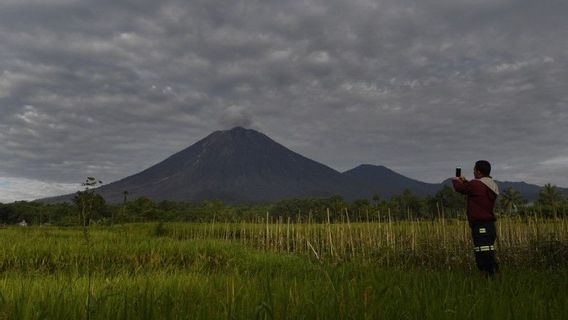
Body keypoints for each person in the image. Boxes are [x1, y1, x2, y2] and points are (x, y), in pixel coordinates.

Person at [452, 160, 500, 277]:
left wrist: (456, 180)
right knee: (488, 252)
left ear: (478, 171)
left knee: (483, 254)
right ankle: (493, 279)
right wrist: (466, 181)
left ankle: (491, 278)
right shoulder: (491, 185)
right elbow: (475, 189)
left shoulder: (476, 184)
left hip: (481, 225)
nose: (473, 172)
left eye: (474, 170)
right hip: (489, 226)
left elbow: (461, 189)